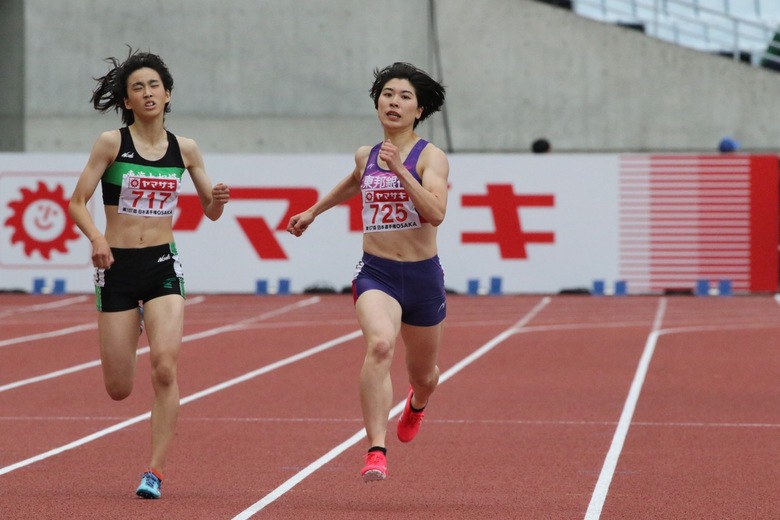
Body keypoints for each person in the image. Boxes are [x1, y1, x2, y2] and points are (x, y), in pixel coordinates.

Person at [68, 48, 230, 499]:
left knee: (163, 366)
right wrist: (98, 239)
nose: (147, 92)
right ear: (127, 100)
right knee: (119, 388)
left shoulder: (185, 149)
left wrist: (218, 198)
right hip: (117, 266)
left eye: (154, 85)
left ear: (168, 93)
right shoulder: (111, 143)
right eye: (137, 87)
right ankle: (132, 321)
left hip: (162, 263)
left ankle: (154, 472)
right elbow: (77, 202)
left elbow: (211, 213)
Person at [287, 62, 449, 483]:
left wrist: (401, 171)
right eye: (388, 94)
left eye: (404, 97)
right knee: (379, 345)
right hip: (376, 271)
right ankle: (376, 449)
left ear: (419, 110)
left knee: (424, 375)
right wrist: (313, 212)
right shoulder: (367, 155)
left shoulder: (431, 157)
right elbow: (354, 180)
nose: (394, 102)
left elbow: (436, 214)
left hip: (422, 278)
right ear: (377, 102)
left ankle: (417, 403)